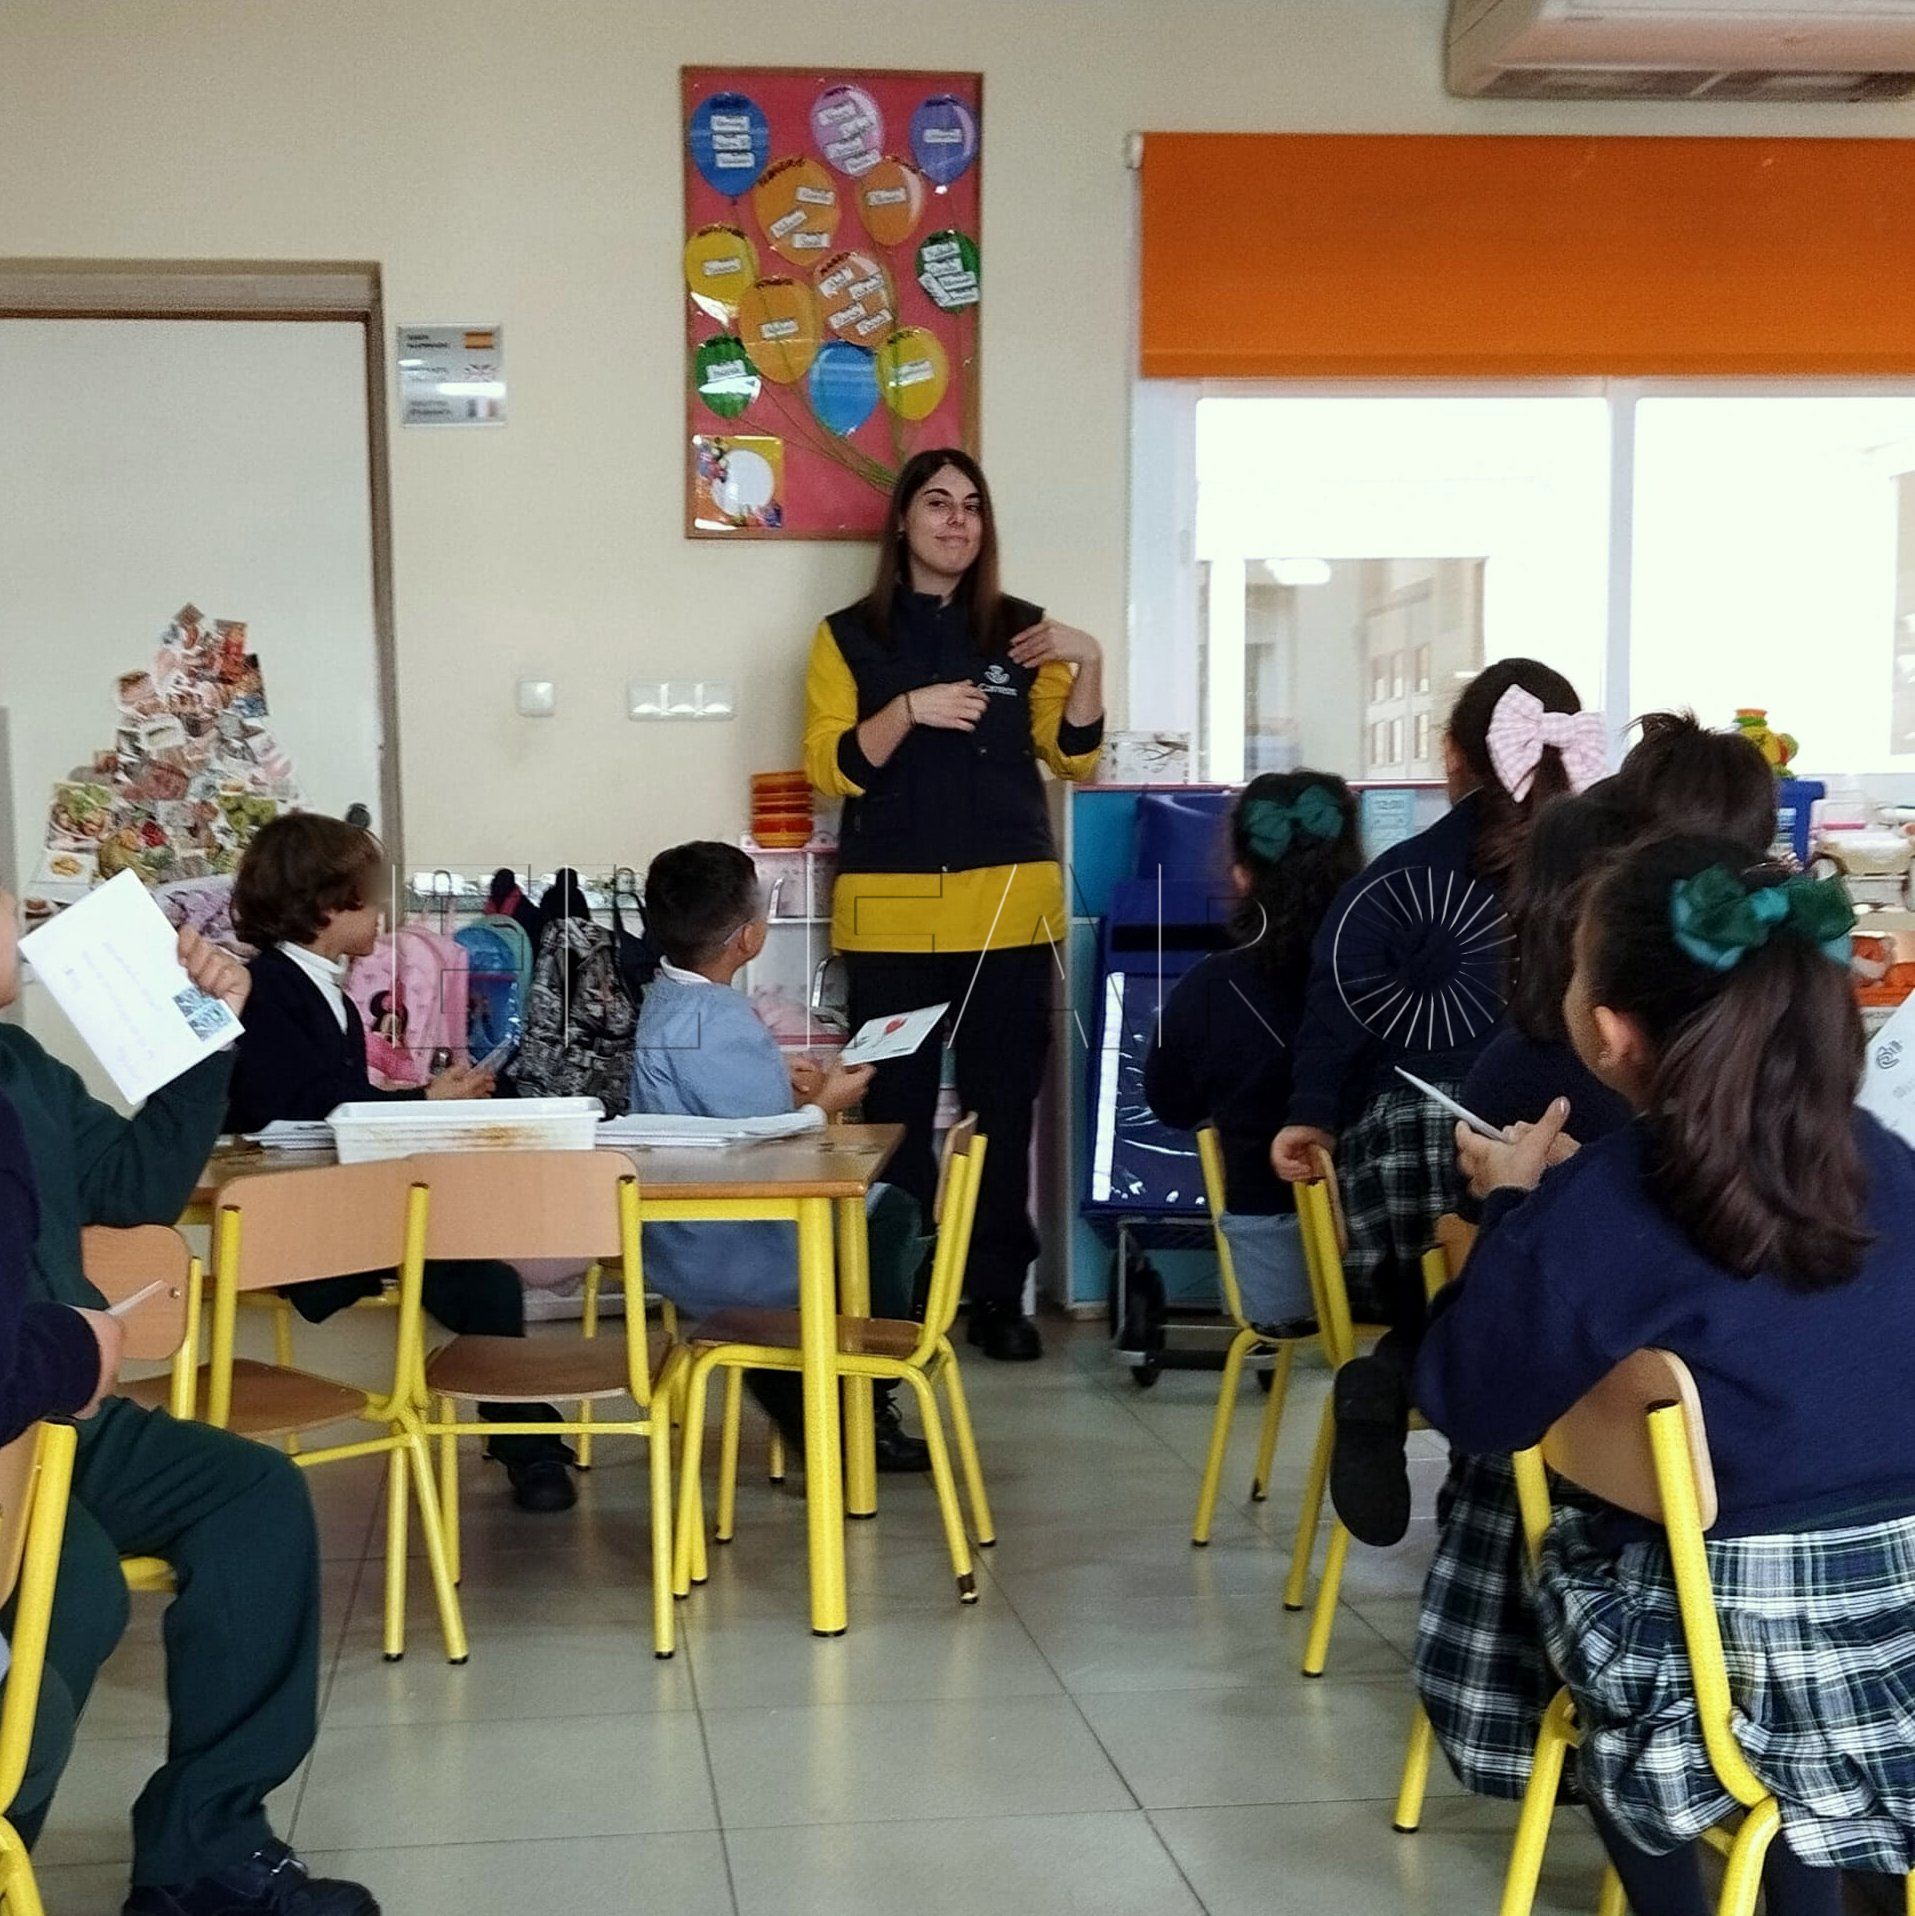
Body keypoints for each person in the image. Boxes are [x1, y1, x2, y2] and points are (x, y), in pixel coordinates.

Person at [1416, 837, 1913, 1916]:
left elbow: (1464, 1396)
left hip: (1711, 1670)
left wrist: (1511, 1204)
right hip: (1898, 1655)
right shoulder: (1885, 1158)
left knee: (1551, 1554)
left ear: (1608, 1029)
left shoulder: (1598, 1205)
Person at [0, 885, 381, 1916]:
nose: (18, 927)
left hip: (69, 1409)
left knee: (251, 1495)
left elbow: (133, 1182)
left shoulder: (20, 1067)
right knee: (73, 1586)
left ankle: (202, 1846)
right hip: (11, 1423)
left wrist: (206, 1036)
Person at [803, 449, 1105, 1362]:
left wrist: (1088, 658)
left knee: (1002, 1115)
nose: (956, 521)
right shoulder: (845, 635)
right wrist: (908, 709)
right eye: (937, 504)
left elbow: (1074, 757)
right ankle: (901, 1287)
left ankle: (994, 1292)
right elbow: (830, 765)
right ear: (902, 522)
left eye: (971, 507)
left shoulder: (1024, 633)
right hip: (890, 922)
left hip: (1011, 918)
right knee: (890, 1117)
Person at [225, 813, 575, 1515]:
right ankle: (526, 1441)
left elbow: (336, 1105)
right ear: (329, 907)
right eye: (371, 895)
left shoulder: (330, 996)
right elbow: (300, 1112)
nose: (383, 910)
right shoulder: (266, 990)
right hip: (297, 1218)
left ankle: (525, 1436)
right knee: (476, 1273)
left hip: (340, 1202)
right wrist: (421, 1098)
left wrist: (426, 1103)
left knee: (480, 1273)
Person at [1271, 659, 1604, 1323]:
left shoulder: (1395, 876)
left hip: (1413, 1181)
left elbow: (1334, 1007)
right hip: (1574, 1162)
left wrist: (1310, 1113)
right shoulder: (1613, 882)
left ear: (1452, 753)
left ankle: (1417, 1365)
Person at [628, 841, 931, 1470]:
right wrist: (827, 1100)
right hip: (732, 1243)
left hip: (681, 1233)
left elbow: (720, 1103)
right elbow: (774, 1152)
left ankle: (817, 1392)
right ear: (748, 937)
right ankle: (862, 1396)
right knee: (892, 1213)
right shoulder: (720, 1018)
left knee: (871, 1213)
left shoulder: (669, 999)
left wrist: (782, 1080)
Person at [1143, 772, 1361, 1332]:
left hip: (1272, 1276)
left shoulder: (1209, 988)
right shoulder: (1388, 983)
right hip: (1386, 1264)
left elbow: (1170, 1104)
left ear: (1242, 877)